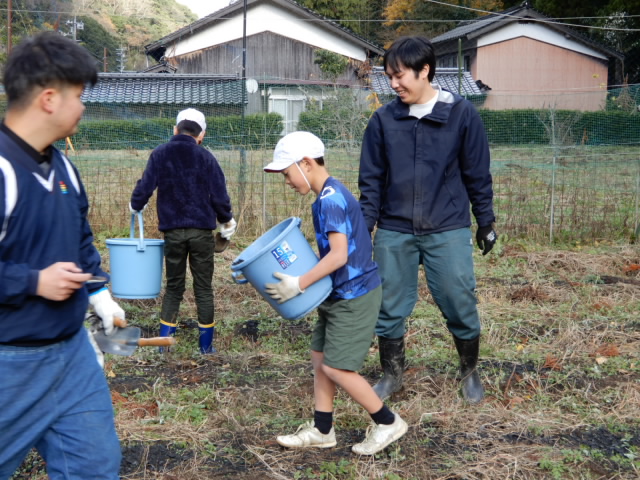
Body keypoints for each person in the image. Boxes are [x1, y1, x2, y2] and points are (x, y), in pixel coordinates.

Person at [0, 32, 124, 479]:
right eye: (79, 96)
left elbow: (79, 241)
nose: (83, 106)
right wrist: (33, 281)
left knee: (93, 467)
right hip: (10, 363)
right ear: (50, 99)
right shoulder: (2, 170)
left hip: (71, 356)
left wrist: (100, 295)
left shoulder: (65, 166)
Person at [358, 36, 497, 404]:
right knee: (388, 305)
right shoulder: (384, 120)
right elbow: (371, 181)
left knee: (458, 298)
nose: (393, 84)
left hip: (447, 226)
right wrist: (363, 228)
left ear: (425, 71)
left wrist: (485, 221)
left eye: (399, 75)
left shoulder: (461, 114)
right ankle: (392, 374)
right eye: (389, 76)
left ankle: (469, 372)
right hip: (394, 228)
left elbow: (477, 173)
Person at [263, 131, 408, 455]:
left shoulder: (329, 200)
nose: (286, 181)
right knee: (320, 359)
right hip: (337, 292)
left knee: (336, 367)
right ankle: (323, 429)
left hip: (354, 295)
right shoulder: (329, 193)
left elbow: (339, 255)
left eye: (287, 173)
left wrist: (299, 283)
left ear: (306, 163)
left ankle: (387, 422)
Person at [130, 108, 236, 354]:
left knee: (174, 286)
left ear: (175, 130)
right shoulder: (206, 157)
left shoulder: (159, 154)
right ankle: (206, 347)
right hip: (201, 234)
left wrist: (136, 204)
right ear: (202, 135)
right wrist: (226, 220)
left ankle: (164, 346)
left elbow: (144, 187)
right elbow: (220, 195)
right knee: (203, 288)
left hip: (173, 233)